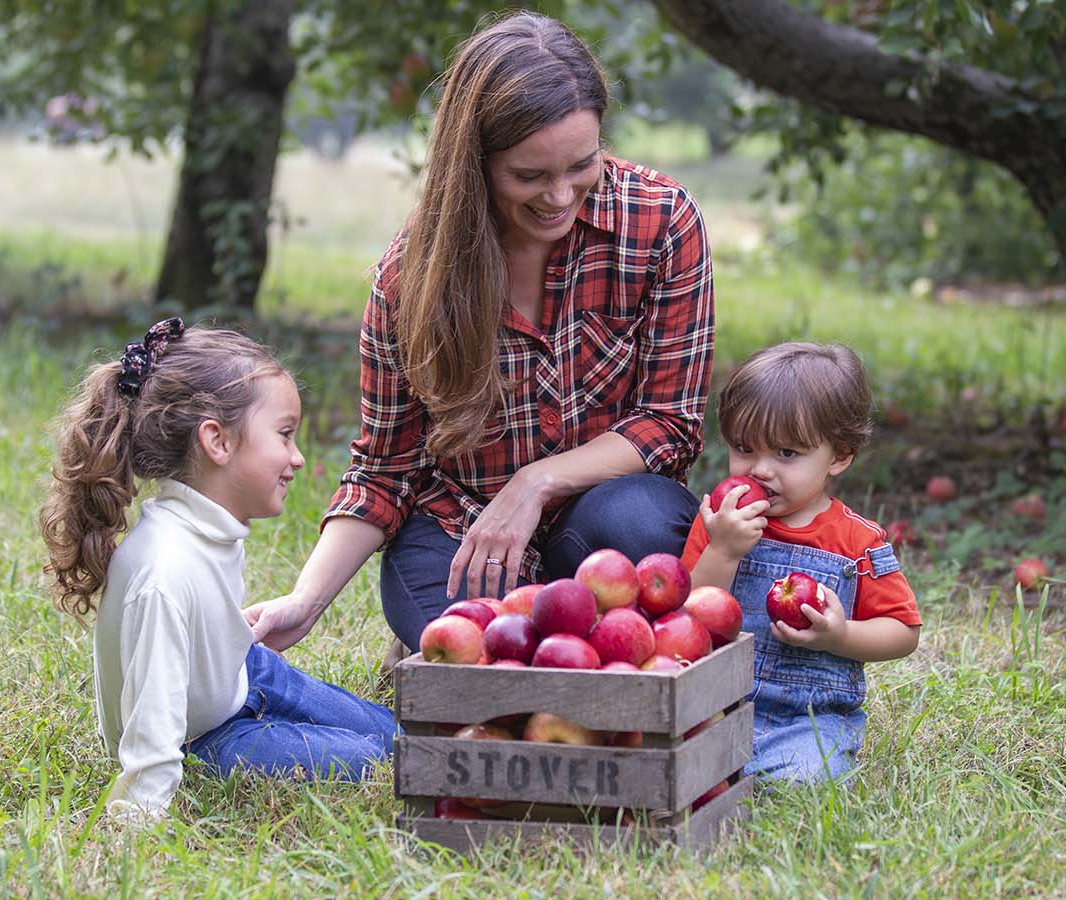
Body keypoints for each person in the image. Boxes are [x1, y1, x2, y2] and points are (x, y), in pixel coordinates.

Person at [251, 12, 715, 654]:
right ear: (475, 163)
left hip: (601, 518)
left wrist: (537, 482)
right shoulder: (411, 281)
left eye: (581, 164)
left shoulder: (660, 222)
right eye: (529, 176)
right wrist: (304, 602)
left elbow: (670, 422)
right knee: (479, 643)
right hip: (464, 525)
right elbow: (385, 470)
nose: (560, 196)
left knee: (640, 522)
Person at [39, 319, 398, 820]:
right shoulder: (165, 571)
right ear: (218, 442)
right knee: (381, 761)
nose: (296, 458)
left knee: (395, 733)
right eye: (285, 434)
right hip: (204, 736)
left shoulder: (208, 526)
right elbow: (153, 727)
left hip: (240, 675)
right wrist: (137, 824)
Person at [681, 342, 921, 782]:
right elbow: (689, 614)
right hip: (717, 706)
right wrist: (723, 550)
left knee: (804, 776)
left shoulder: (857, 541)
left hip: (808, 720)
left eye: (787, 454)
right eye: (744, 448)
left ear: (840, 456)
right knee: (673, 767)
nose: (761, 470)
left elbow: (903, 632)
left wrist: (841, 635)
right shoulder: (721, 521)